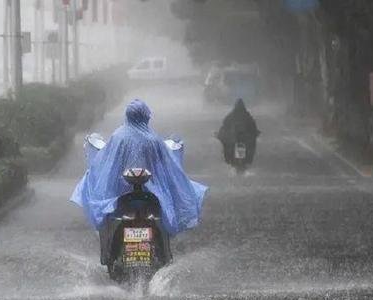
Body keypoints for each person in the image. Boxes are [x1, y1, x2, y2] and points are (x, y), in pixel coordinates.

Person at [70, 99, 208, 254]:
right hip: (153, 194)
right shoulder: (153, 140)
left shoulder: (118, 137)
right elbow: (168, 169)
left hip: (120, 194)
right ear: (145, 116)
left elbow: (106, 164)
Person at [217, 98, 260, 165]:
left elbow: (224, 125)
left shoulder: (231, 116)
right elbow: (253, 126)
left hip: (236, 139)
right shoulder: (247, 115)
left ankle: (229, 160)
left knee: (226, 146)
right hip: (240, 139)